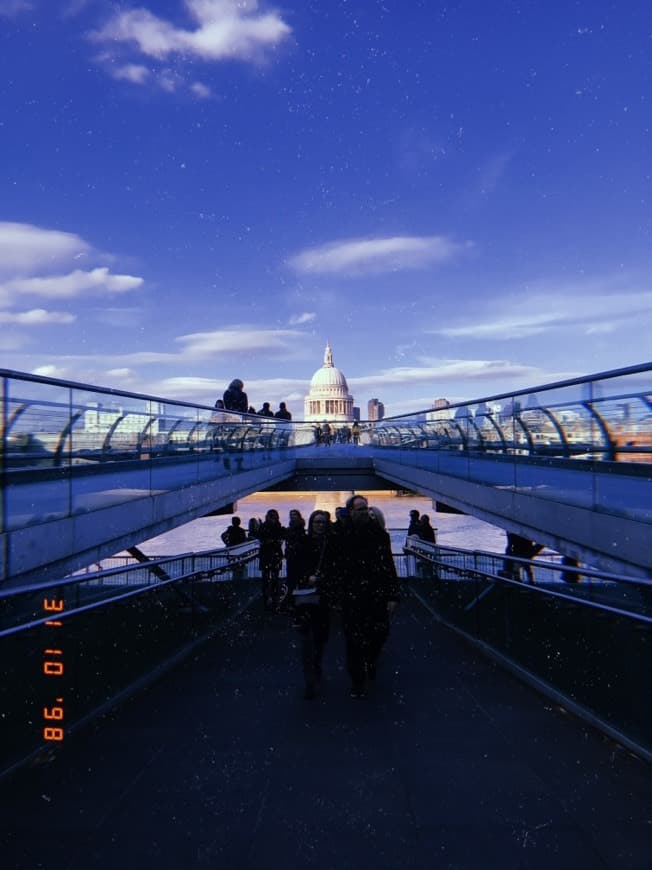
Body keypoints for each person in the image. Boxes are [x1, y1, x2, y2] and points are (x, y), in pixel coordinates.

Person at [340, 494, 400, 698]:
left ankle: (370, 659)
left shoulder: (380, 536)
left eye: (366, 508)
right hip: (352, 597)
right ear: (351, 512)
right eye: (360, 509)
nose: (365, 512)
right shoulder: (341, 535)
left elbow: (388, 566)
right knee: (354, 640)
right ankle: (357, 681)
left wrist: (393, 595)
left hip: (376, 595)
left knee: (379, 634)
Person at [293, 510, 340, 700]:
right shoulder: (303, 543)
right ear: (311, 524)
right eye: (317, 522)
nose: (320, 525)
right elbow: (294, 568)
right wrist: (307, 577)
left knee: (320, 638)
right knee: (307, 639)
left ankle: (316, 664)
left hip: (324, 596)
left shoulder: (331, 545)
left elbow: (337, 568)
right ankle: (310, 678)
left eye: (322, 522)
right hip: (306, 597)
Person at [256, 509, 286, 610]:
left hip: (267, 555)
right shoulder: (277, 526)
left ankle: (268, 599)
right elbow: (278, 538)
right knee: (273, 578)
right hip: (274, 555)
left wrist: (269, 541)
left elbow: (261, 538)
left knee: (267, 578)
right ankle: (273, 599)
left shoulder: (264, 526)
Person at [284, 509, 307, 603]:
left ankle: (292, 600)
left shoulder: (295, 528)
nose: (292, 516)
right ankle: (296, 599)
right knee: (295, 578)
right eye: (291, 514)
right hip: (293, 555)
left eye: (294, 514)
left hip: (296, 555)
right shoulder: (294, 528)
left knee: (294, 578)